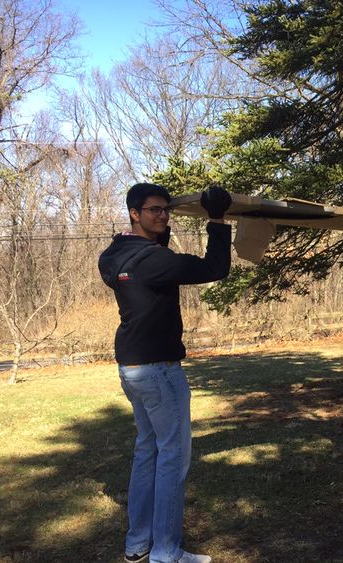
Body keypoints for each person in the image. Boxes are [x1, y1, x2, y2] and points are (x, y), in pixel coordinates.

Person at [98, 183, 233, 563]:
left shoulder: (113, 256)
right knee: (172, 457)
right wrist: (218, 219)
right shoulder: (152, 261)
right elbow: (214, 268)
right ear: (134, 214)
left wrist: (160, 236)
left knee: (147, 451)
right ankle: (167, 553)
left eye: (165, 210)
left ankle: (138, 543)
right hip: (158, 370)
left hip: (132, 368)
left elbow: (153, 253)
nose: (162, 215)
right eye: (153, 210)